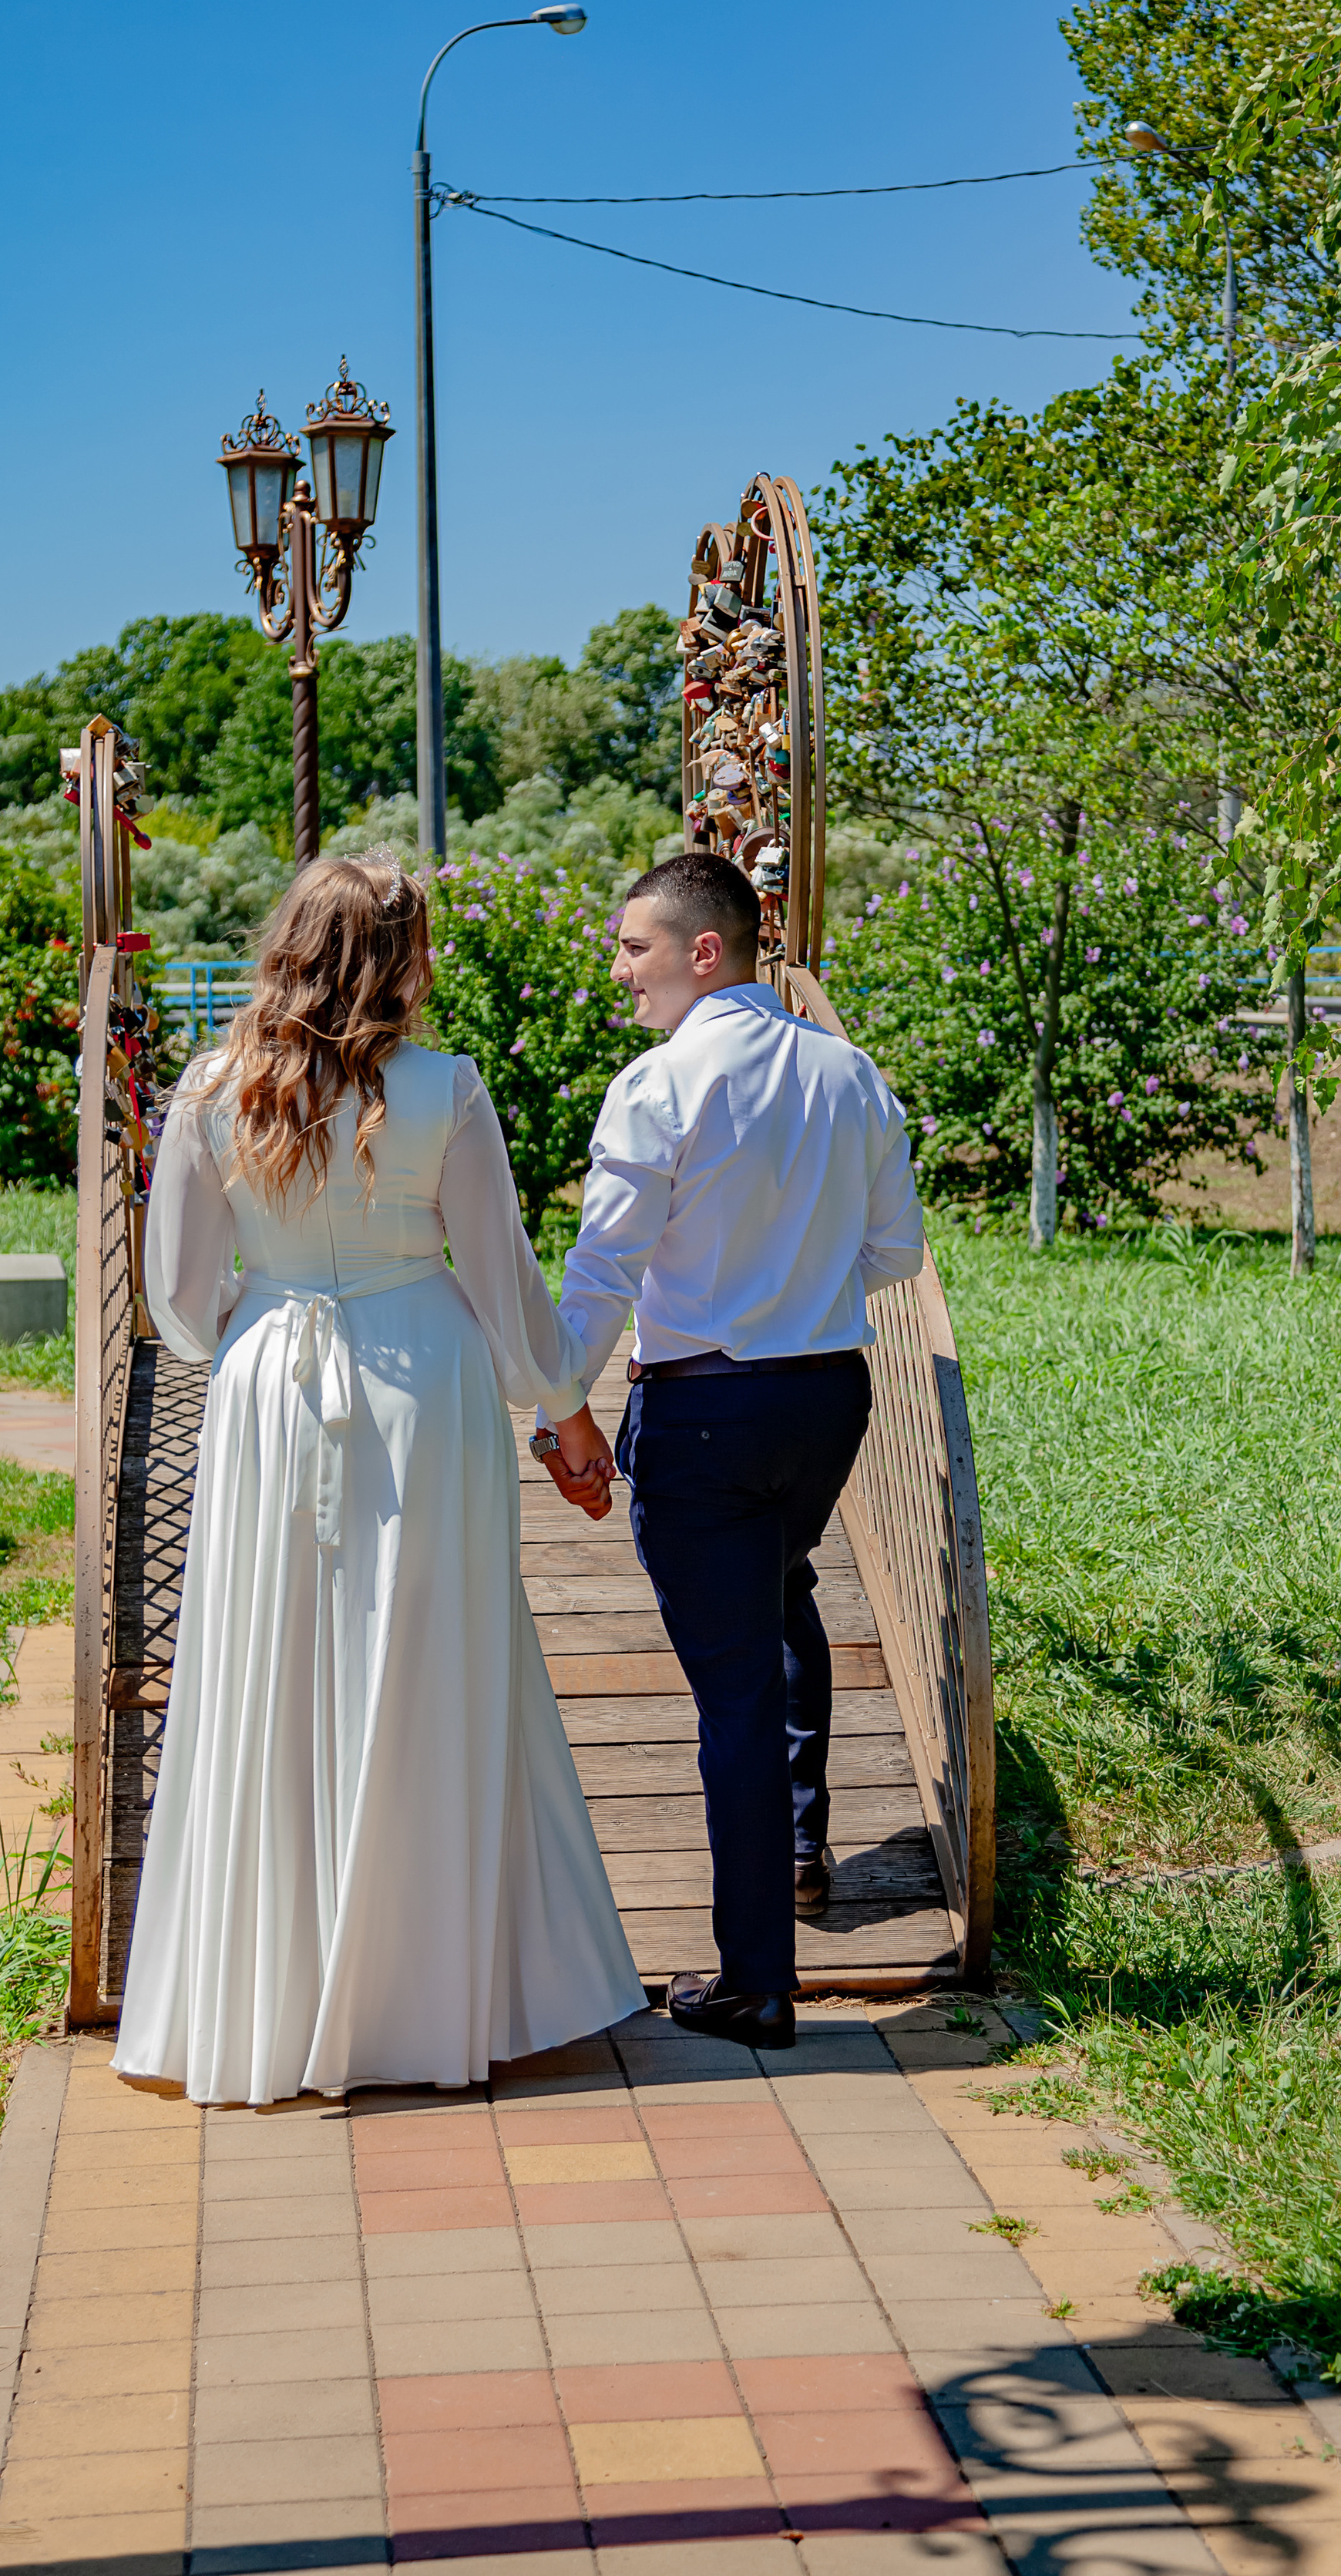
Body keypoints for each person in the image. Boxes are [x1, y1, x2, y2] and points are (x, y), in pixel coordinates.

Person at [114, 856, 642, 2106]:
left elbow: (176, 1299)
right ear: (400, 956)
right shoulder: (445, 1089)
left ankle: (268, 2001)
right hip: (428, 1379)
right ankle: (429, 1997)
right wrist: (566, 1415)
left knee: (271, 1664)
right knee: (435, 1660)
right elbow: (504, 1274)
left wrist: (257, 1320)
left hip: (267, 1390)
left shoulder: (208, 1090)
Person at [552, 853, 926, 2050]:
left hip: (705, 1414)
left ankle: (757, 1980)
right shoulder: (853, 1075)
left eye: (633, 949)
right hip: (825, 1402)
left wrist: (562, 1401)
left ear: (702, 951)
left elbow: (605, 1266)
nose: (622, 972)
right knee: (783, 1595)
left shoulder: (658, 1086)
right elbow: (896, 1258)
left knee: (734, 1700)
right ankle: (805, 1841)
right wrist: (793, 1284)